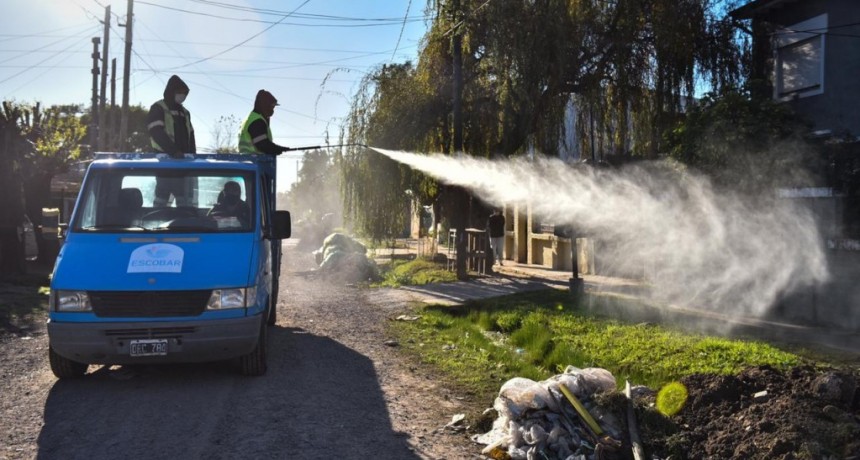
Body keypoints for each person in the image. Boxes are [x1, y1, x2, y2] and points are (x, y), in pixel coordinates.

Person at [148, 75, 196, 206]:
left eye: (184, 93)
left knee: (184, 202)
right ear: (171, 91)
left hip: (184, 165)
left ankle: (184, 218)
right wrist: (173, 151)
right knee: (161, 199)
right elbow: (156, 132)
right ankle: (157, 216)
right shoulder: (158, 108)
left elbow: (191, 136)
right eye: (179, 92)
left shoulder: (185, 112)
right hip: (165, 163)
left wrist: (194, 158)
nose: (182, 95)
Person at [238, 89, 290, 155]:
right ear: (264, 105)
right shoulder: (257, 121)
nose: (272, 110)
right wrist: (279, 149)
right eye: (271, 107)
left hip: (248, 159)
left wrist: (279, 149)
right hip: (256, 159)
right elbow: (262, 145)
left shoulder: (252, 118)